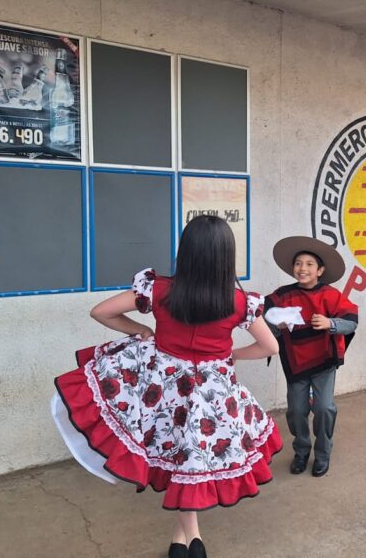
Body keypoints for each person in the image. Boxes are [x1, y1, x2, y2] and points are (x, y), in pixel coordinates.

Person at [51, 216, 281, 558]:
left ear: (185, 251)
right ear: (225, 256)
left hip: (163, 390)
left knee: (179, 460)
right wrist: (230, 355)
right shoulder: (237, 302)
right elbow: (270, 347)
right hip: (211, 397)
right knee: (189, 461)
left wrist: (141, 331)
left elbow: (101, 312)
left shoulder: (159, 290)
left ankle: (185, 539)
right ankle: (191, 539)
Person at [264, 236, 359, 478]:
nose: (302, 268)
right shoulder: (282, 296)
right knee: (296, 411)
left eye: (309, 264)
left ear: (320, 270)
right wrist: (277, 325)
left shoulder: (331, 295)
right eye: (298, 263)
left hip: (323, 361)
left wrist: (331, 323)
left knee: (325, 408)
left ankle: (323, 452)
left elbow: (351, 322)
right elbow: (263, 318)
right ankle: (302, 451)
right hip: (295, 362)